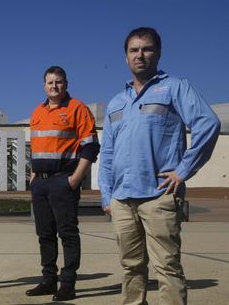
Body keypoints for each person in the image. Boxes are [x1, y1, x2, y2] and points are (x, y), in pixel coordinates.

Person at [99, 27, 220, 305]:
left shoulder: (175, 88)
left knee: (167, 268)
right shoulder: (117, 102)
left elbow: (208, 123)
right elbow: (107, 153)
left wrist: (183, 170)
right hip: (122, 199)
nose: (140, 55)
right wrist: (107, 195)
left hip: (159, 196)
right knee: (131, 268)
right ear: (126, 57)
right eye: (133, 50)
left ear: (158, 53)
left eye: (146, 49)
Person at [26, 66, 100, 301]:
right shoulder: (37, 111)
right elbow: (36, 148)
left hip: (63, 181)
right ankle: (49, 279)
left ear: (66, 84)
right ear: (44, 85)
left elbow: (90, 146)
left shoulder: (78, 109)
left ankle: (67, 283)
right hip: (40, 184)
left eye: (58, 82)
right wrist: (33, 174)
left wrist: (76, 178)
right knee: (44, 234)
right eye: (50, 82)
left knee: (67, 233)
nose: (54, 86)